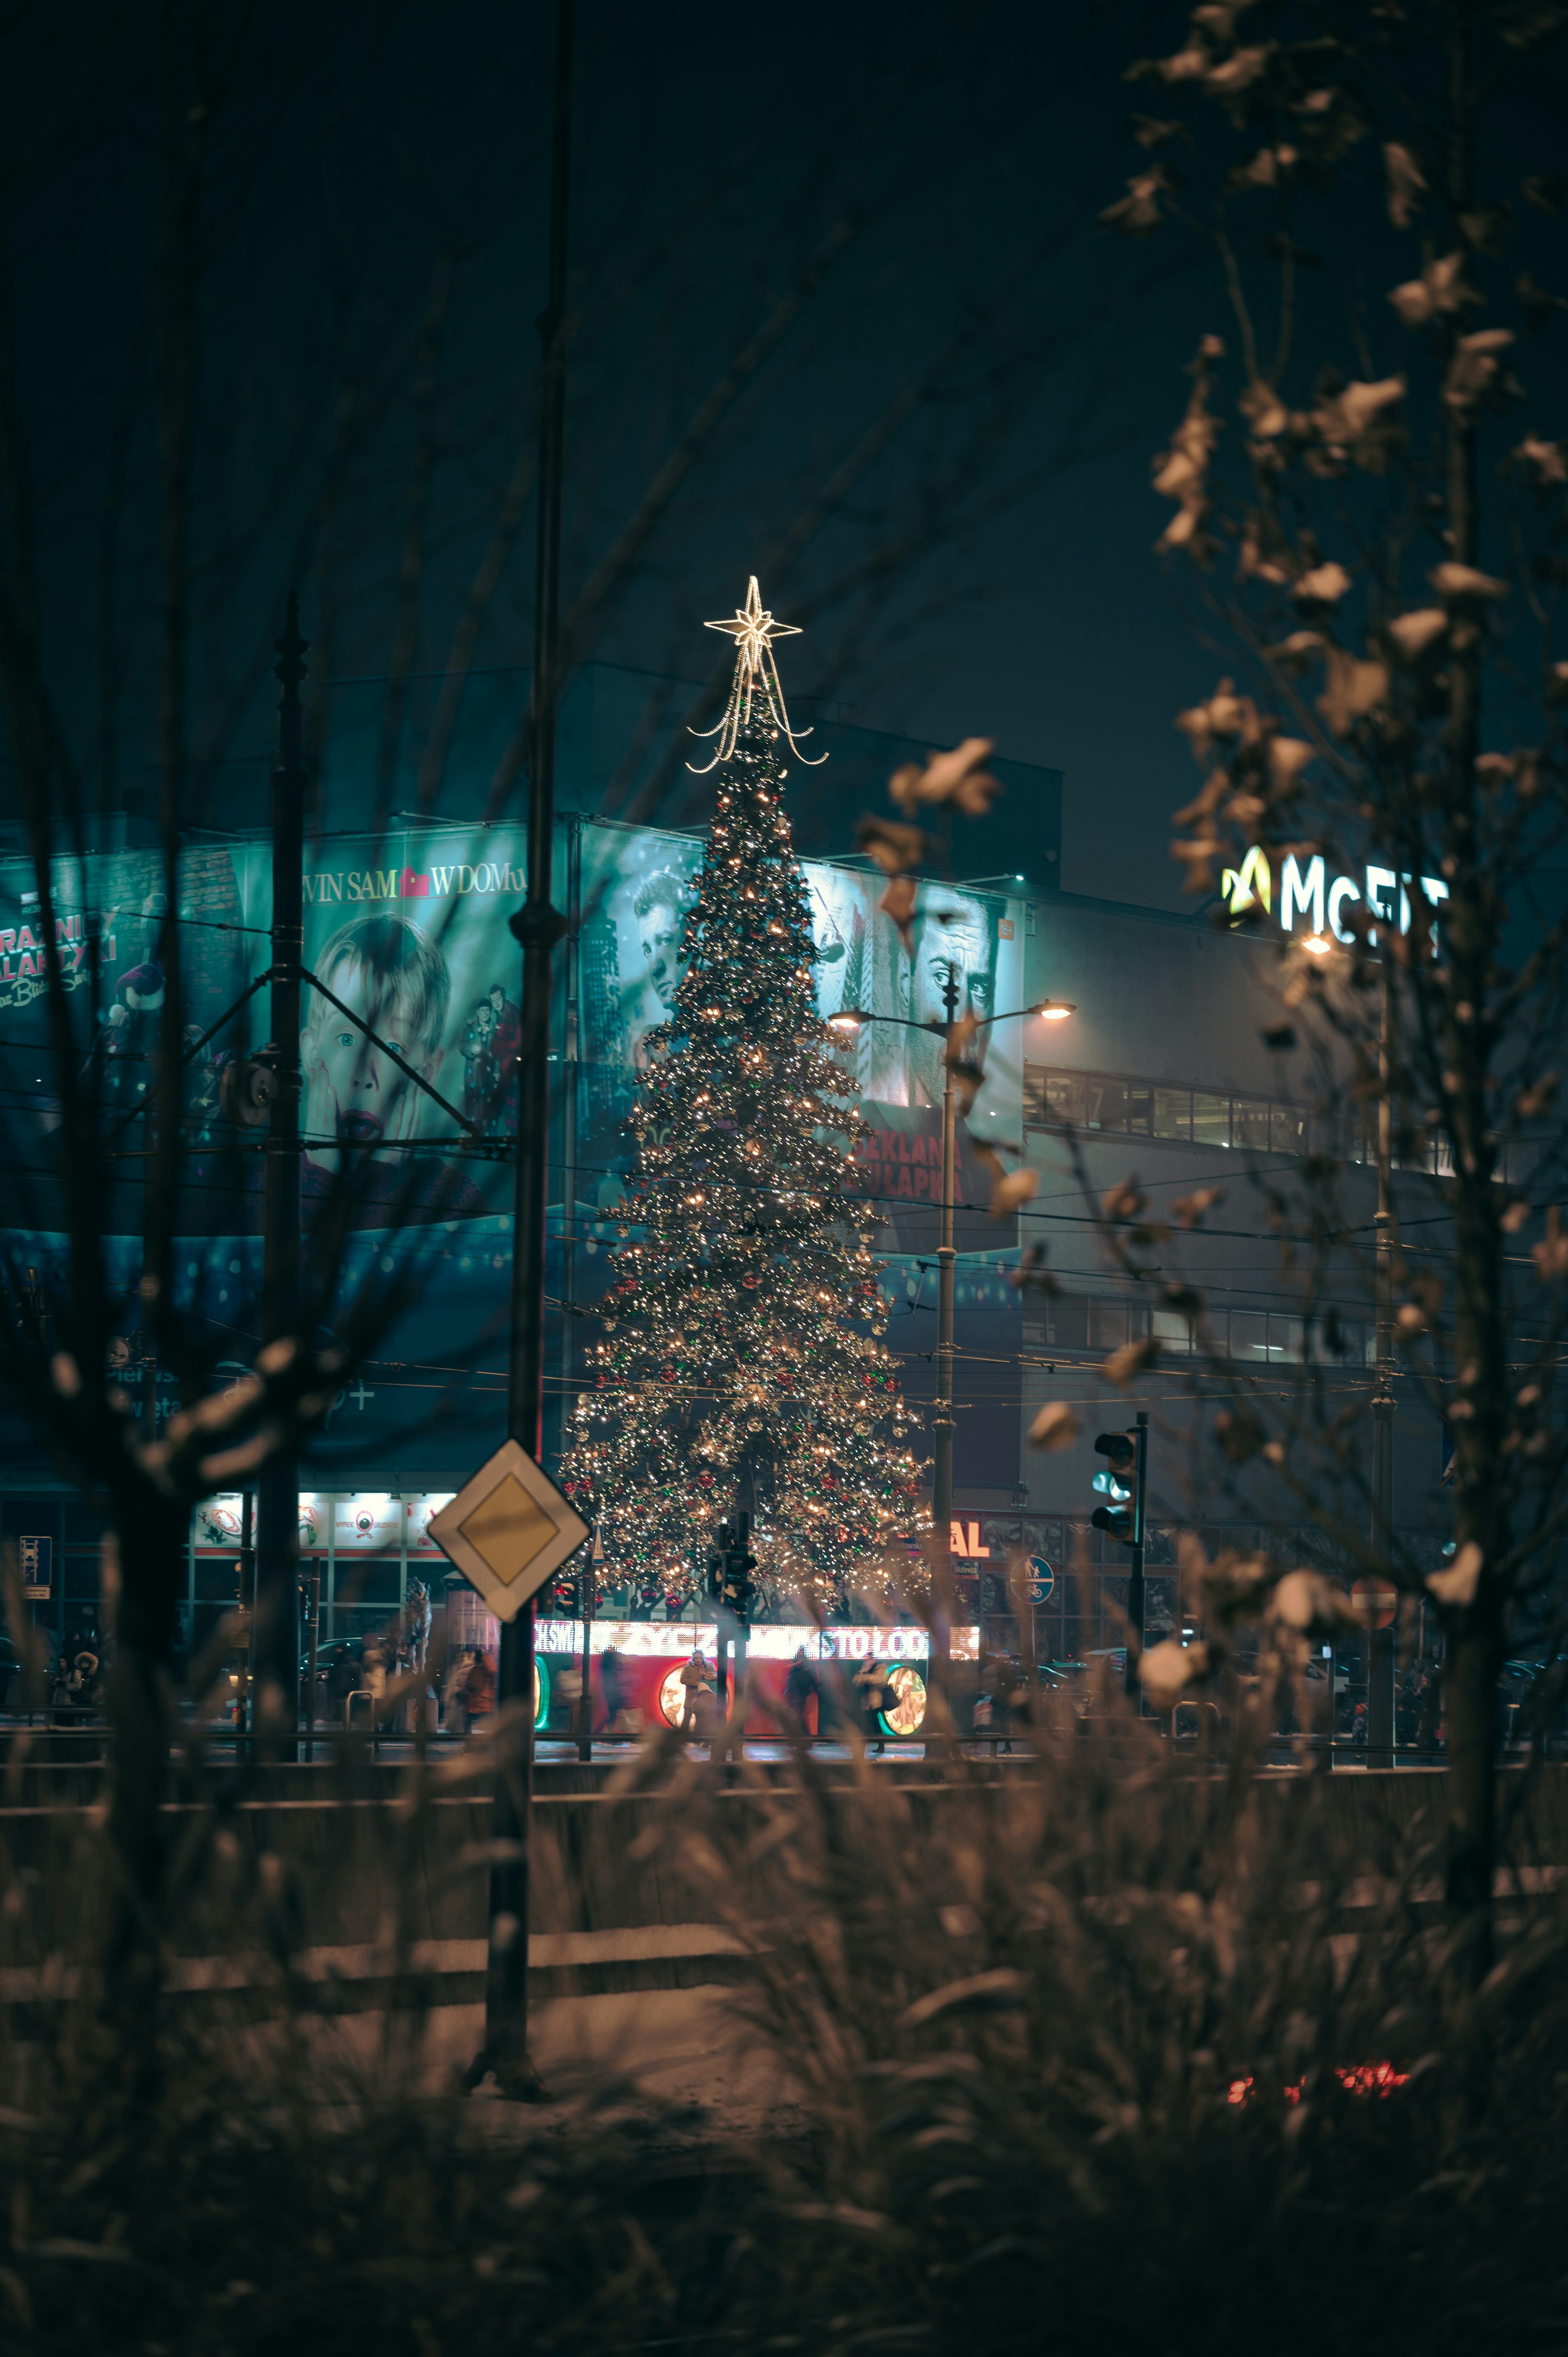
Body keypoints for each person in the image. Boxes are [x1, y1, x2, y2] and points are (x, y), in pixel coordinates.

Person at [296, 912, 486, 1221]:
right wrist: (321, 1178)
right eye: (346, 1039)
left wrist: (382, 1180)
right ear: (310, 1052)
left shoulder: (456, 1201)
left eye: (392, 1047)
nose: (362, 1076)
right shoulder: (259, 1184)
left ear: (428, 1072)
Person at [853, 1657, 890, 1755]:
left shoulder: (880, 1668)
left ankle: (881, 1747)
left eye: (869, 1659)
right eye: (866, 1660)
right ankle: (876, 1747)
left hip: (876, 1702)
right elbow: (856, 1681)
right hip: (867, 1703)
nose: (867, 1661)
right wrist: (863, 1673)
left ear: (874, 1660)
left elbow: (879, 1680)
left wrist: (865, 1677)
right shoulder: (865, 1669)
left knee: (876, 1725)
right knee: (870, 1725)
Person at [783, 1646, 820, 1742]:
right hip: (793, 1696)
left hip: (801, 1696)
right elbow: (790, 1681)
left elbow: (813, 1681)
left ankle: (804, 1739)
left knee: (799, 1717)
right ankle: (800, 1739)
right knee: (796, 1718)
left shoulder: (806, 1668)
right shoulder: (795, 1668)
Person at [678, 1646, 712, 1737]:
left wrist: (705, 1675)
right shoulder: (688, 1668)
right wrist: (696, 1683)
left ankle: (702, 1739)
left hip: (704, 1698)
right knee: (687, 1719)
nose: (698, 1660)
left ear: (703, 1658)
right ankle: (681, 1739)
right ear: (693, 1659)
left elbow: (714, 1677)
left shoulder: (708, 1667)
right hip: (691, 1697)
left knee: (703, 1720)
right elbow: (683, 1680)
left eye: (700, 1658)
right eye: (696, 1658)